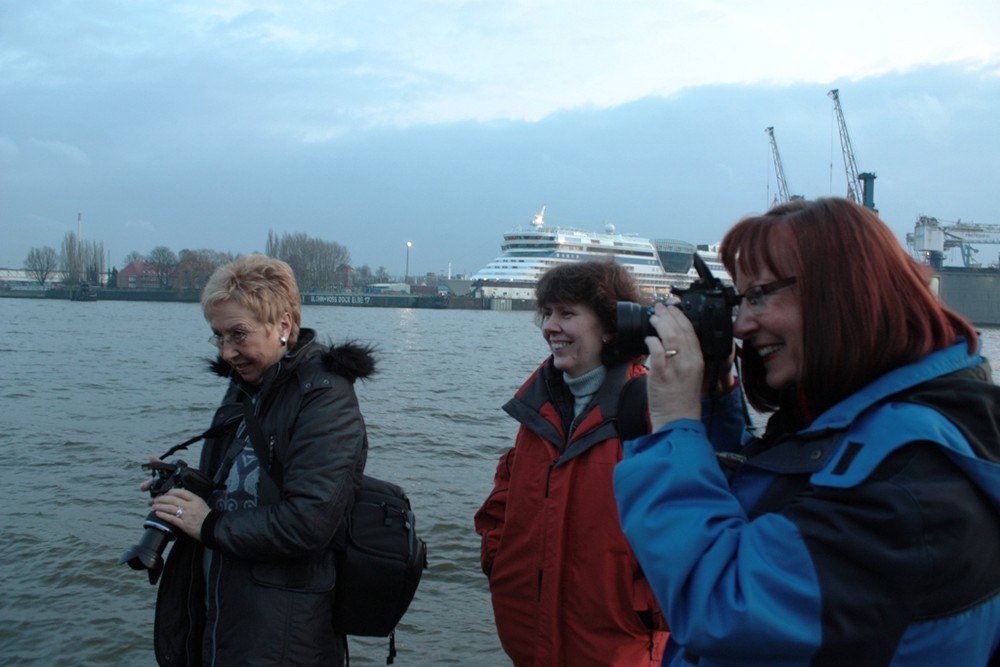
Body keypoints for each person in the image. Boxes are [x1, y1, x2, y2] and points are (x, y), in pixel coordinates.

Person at [614, 198, 1000, 666]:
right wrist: (711, 403)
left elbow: (725, 609)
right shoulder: (865, 424)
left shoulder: (909, 481)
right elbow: (760, 516)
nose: (741, 324)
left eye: (759, 296)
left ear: (839, 293)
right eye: (740, 300)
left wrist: (675, 425)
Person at [139, 254, 375, 666]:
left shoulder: (325, 397)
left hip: (282, 630)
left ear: (283, 325)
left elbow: (309, 522)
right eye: (218, 336)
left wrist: (208, 523)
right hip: (223, 609)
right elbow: (240, 486)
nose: (227, 352)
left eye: (238, 334)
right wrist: (183, 494)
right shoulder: (246, 385)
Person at [474, 260, 673, 666]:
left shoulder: (651, 409)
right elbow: (502, 503)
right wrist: (499, 565)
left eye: (567, 313)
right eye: (547, 313)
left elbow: (683, 525)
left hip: (618, 646)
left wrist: (643, 606)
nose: (550, 326)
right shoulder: (536, 408)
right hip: (528, 642)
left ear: (610, 325)